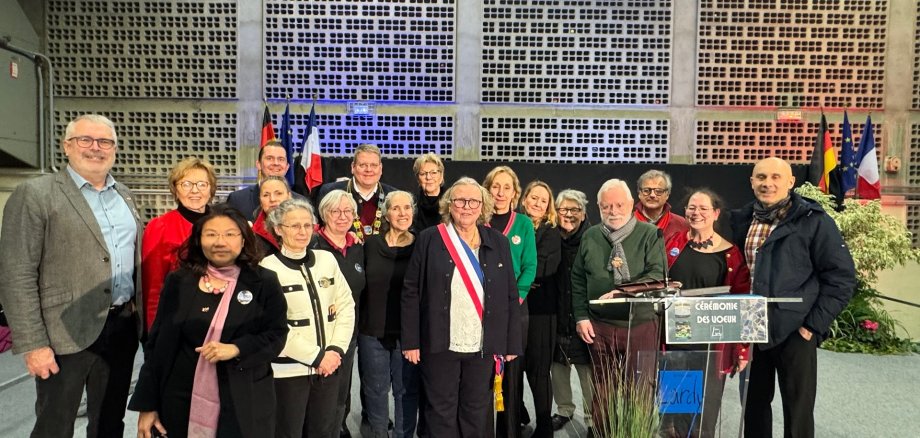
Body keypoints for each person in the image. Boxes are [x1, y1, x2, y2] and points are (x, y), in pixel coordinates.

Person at [0, 114, 144, 437]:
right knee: (56, 425)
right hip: (62, 333)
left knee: (109, 423)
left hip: (120, 327)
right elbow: (16, 273)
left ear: (115, 149)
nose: (96, 148)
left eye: (105, 141)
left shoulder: (125, 195)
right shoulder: (35, 194)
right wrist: (33, 343)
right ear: (67, 146)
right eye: (85, 140)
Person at [129, 204, 288, 438]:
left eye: (230, 234)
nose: (220, 242)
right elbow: (158, 347)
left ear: (244, 239)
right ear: (198, 239)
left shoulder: (264, 281)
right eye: (211, 234)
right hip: (180, 399)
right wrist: (148, 404)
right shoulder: (180, 281)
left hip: (244, 398)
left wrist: (237, 348)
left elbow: (277, 334)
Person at [731, 157, 856, 438]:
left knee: (797, 412)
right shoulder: (741, 220)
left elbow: (841, 278)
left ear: (791, 182)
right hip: (752, 330)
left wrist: (811, 327)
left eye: (776, 177)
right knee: (753, 407)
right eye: (761, 177)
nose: (768, 183)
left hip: (796, 332)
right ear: (752, 182)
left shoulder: (814, 221)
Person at [401, 177, 522, 437]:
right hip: (439, 342)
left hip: (482, 345)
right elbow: (411, 292)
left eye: (473, 201)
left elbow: (511, 295)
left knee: (476, 411)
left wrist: (511, 343)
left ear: (483, 206)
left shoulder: (498, 242)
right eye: (459, 200)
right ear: (449, 204)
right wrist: (411, 341)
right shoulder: (430, 239)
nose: (466, 207)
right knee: (440, 412)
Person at [571, 178, 665, 429]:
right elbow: (578, 278)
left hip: (641, 325)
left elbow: (657, 275)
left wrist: (620, 292)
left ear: (631, 204)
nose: (613, 211)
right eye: (606, 207)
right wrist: (581, 316)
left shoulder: (650, 233)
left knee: (641, 389)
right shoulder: (590, 235)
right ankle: (604, 432)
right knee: (603, 390)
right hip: (600, 327)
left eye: (619, 205)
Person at [260, 198, 355, 438]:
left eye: (306, 225)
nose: (302, 231)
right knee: (287, 432)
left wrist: (334, 351)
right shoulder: (267, 269)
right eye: (294, 226)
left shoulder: (326, 260)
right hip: (289, 373)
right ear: (278, 229)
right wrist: (316, 356)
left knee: (323, 430)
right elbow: (274, 326)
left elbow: (345, 306)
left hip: (329, 368)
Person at [661, 189, 752, 438]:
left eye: (703, 208)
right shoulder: (673, 243)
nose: (696, 213)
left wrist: (742, 348)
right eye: (691, 207)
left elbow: (741, 305)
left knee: (703, 418)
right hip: (677, 343)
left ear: (715, 213)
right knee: (675, 413)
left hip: (712, 347)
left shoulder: (731, 254)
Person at [359, 191, 420, 438]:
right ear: (386, 213)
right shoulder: (370, 244)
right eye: (396, 208)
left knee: (406, 391)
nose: (402, 213)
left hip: (408, 334)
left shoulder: (421, 245)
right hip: (372, 331)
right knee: (375, 391)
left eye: (407, 208)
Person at [483, 165, 536, 438]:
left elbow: (529, 266)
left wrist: (514, 301)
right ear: (487, 189)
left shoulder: (524, 224)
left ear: (515, 193)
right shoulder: (478, 222)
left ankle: (509, 432)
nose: (500, 193)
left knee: (512, 377)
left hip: (515, 309)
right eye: (495, 186)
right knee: (481, 376)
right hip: (481, 308)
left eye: (507, 187)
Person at [312, 189, 367, 438]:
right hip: (318, 336)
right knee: (320, 395)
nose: (342, 216)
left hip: (347, 334)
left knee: (342, 392)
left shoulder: (357, 247)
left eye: (348, 211)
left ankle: (339, 428)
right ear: (324, 214)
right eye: (335, 211)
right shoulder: (312, 245)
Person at [143, 157, 217, 331]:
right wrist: (154, 333)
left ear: (211, 190)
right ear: (175, 190)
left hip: (219, 318)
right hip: (178, 318)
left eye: (202, 184)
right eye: (186, 184)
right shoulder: (160, 226)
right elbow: (153, 287)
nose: (195, 191)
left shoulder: (224, 223)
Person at [518, 181, 562, 438]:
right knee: (514, 369)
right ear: (524, 199)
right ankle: (518, 414)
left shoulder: (552, 232)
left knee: (538, 372)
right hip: (516, 309)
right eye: (533, 198)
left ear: (549, 207)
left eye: (543, 200)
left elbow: (543, 269)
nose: (537, 203)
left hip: (542, 313)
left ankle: (544, 425)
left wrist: (520, 272)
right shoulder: (516, 226)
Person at [550, 190, 594, 433]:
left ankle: (591, 418)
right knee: (558, 370)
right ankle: (564, 410)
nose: (568, 215)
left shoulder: (594, 238)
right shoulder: (550, 237)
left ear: (584, 213)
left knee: (588, 375)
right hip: (556, 315)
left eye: (574, 210)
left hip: (583, 318)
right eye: (563, 210)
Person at [314, 144, 397, 241]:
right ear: (353, 167)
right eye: (362, 165)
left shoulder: (393, 196)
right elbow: (319, 228)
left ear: (380, 168)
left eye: (373, 165)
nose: (368, 170)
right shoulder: (329, 191)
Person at [227, 139, 292, 221]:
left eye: (281, 159)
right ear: (258, 165)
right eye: (269, 158)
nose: (276, 163)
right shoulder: (237, 200)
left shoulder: (301, 201)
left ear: (287, 167)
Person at [633, 169, 689, 243]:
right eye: (646, 190)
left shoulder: (681, 224)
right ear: (639, 193)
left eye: (658, 191)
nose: (652, 195)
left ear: (667, 195)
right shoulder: (628, 222)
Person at [251, 176, 293, 254]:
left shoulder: (307, 228)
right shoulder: (250, 233)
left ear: (289, 196)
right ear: (260, 200)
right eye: (266, 195)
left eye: (278, 193)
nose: (272, 199)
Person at [412, 152, 445, 231]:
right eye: (423, 174)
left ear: (441, 176)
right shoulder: (412, 203)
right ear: (418, 179)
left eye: (433, 173)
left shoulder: (451, 202)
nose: (428, 177)